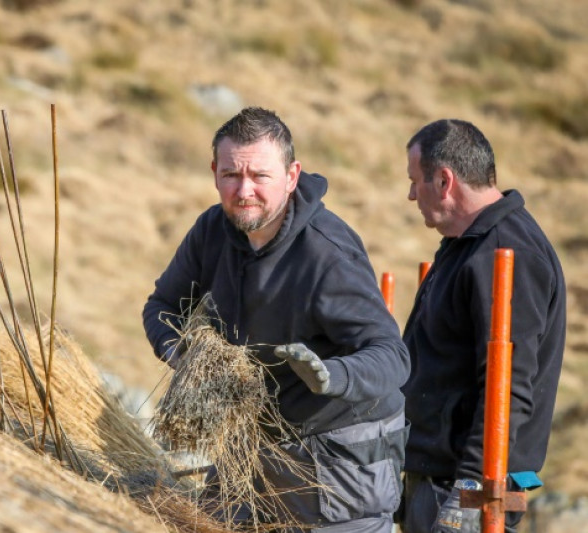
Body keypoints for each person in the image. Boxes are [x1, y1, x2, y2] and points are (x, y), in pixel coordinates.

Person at [142, 107, 410, 532]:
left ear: (292, 175)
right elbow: (161, 306)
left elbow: (393, 357)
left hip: (341, 455)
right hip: (256, 442)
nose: (244, 190)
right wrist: (183, 355)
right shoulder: (214, 229)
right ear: (214, 172)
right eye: (231, 175)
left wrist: (331, 375)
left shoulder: (326, 255)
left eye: (260, 176)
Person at [399, 119, 566, 533]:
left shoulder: (507, 252)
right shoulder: (468, 245)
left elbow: (507, 389)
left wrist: (467, 496)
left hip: (464, 492)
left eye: (414, 181)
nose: (409, 194)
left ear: (444, 181)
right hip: (437, 482)